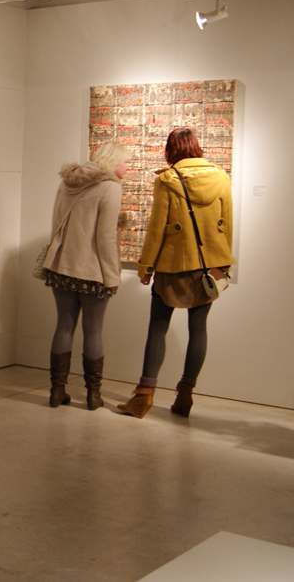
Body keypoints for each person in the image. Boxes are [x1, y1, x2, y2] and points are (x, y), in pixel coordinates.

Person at [117, 128, 235, 419]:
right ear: (196, 147)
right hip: (209, 265)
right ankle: (185, 395)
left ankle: (143, 396)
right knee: (199, 328)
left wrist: (146, 267)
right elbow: (227, 222)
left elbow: (157, 228)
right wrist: (223, 262)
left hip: (173, 266)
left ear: (171, 151)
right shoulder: (220, 176)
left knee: (158, 327)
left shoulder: (167, 180)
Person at [41, 141, 132, 409]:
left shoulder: (68, 182)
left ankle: (57, 392)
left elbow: (58, 222)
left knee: (64, 327)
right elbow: (104, 237)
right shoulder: (110, 187)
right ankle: (93, 396)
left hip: (62, 267)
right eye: (125, 161)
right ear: (113, 162)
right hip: (93, 272)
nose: (127, 167)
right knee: (93, 332)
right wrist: (112, 277)